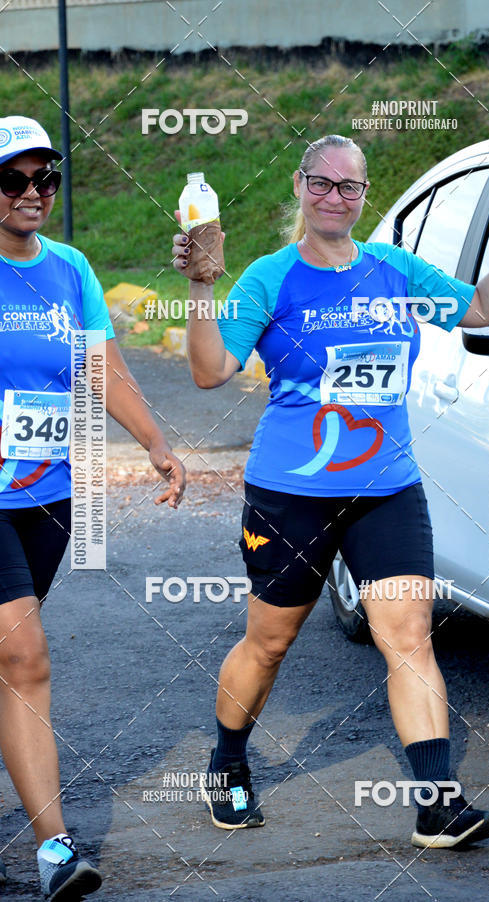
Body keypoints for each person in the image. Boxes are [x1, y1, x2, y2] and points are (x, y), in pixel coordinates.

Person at [172, 133, 489, 849]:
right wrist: (200, 287)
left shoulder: (393, 269)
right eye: (321, 184)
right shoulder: (269, 278)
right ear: (299, 187)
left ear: (362, 196)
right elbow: (209, 372)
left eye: (349, 187)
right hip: (290, 493)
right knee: (268, 643)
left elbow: (479, 310)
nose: (335, 197)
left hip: (386, 486)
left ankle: (437, 804)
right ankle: (228, 761)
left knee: (409, 636)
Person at [0, 116, 186, 900]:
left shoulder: (70, 269)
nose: (34, 193)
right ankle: (54, 852)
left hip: (47, 496)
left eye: (47, 179)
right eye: (15, 180)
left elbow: (103, 371)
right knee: (25, 657)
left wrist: (155, 441)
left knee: (9, 665)